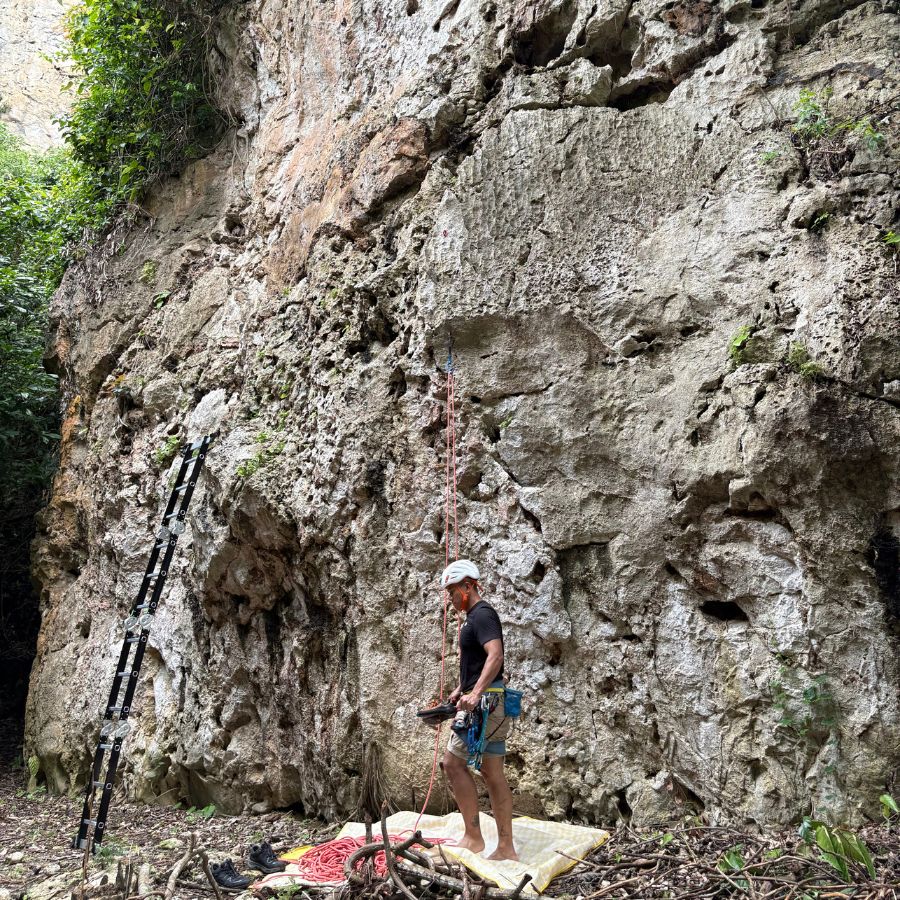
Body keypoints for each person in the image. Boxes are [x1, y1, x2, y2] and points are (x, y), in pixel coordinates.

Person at [440, 559, 518, 861]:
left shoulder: (482, 614)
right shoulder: (474, 617)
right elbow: (479, 662)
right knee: (491, 772)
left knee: (453, 764)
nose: (450, 599)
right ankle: (505, 847)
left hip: (485, 706)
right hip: (490, 702)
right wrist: (461, 688)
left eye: (452, 592)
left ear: (468, 586)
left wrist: (475, 694)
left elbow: (495, 656)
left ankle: (474, 838)